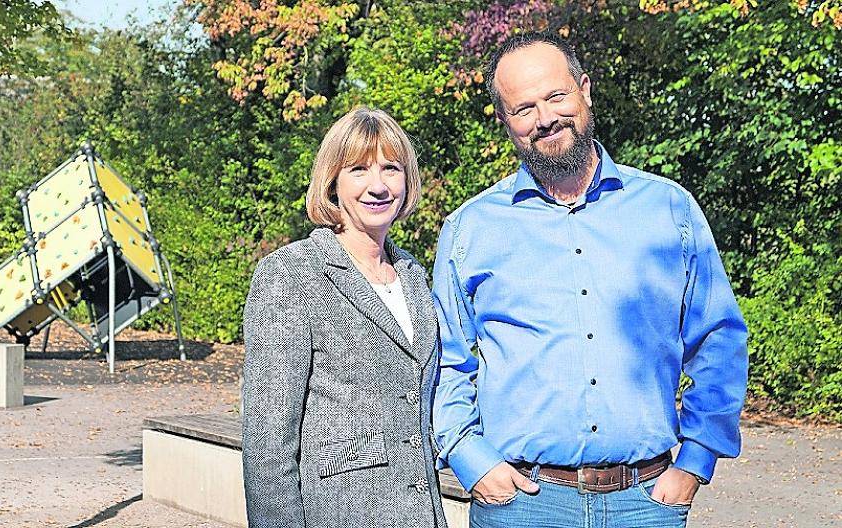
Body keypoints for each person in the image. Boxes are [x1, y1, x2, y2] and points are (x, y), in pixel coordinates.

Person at [432, 32, 749, 528]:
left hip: (645, 503)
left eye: (556, 96)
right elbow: (445, 360)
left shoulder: (668, 210)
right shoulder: (470, 229)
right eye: (524, 108)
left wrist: (696, 458)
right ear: (505, 121)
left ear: (584, 90)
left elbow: (719, 338)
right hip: (520, 504)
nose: (545, 118)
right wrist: (471, 459)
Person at [242, 107, 447, 528]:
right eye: (358, 169)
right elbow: (268, 443)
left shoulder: (413, 275)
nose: (378, 185)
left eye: (391, 168)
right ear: (332, 181)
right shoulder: (293, 274)